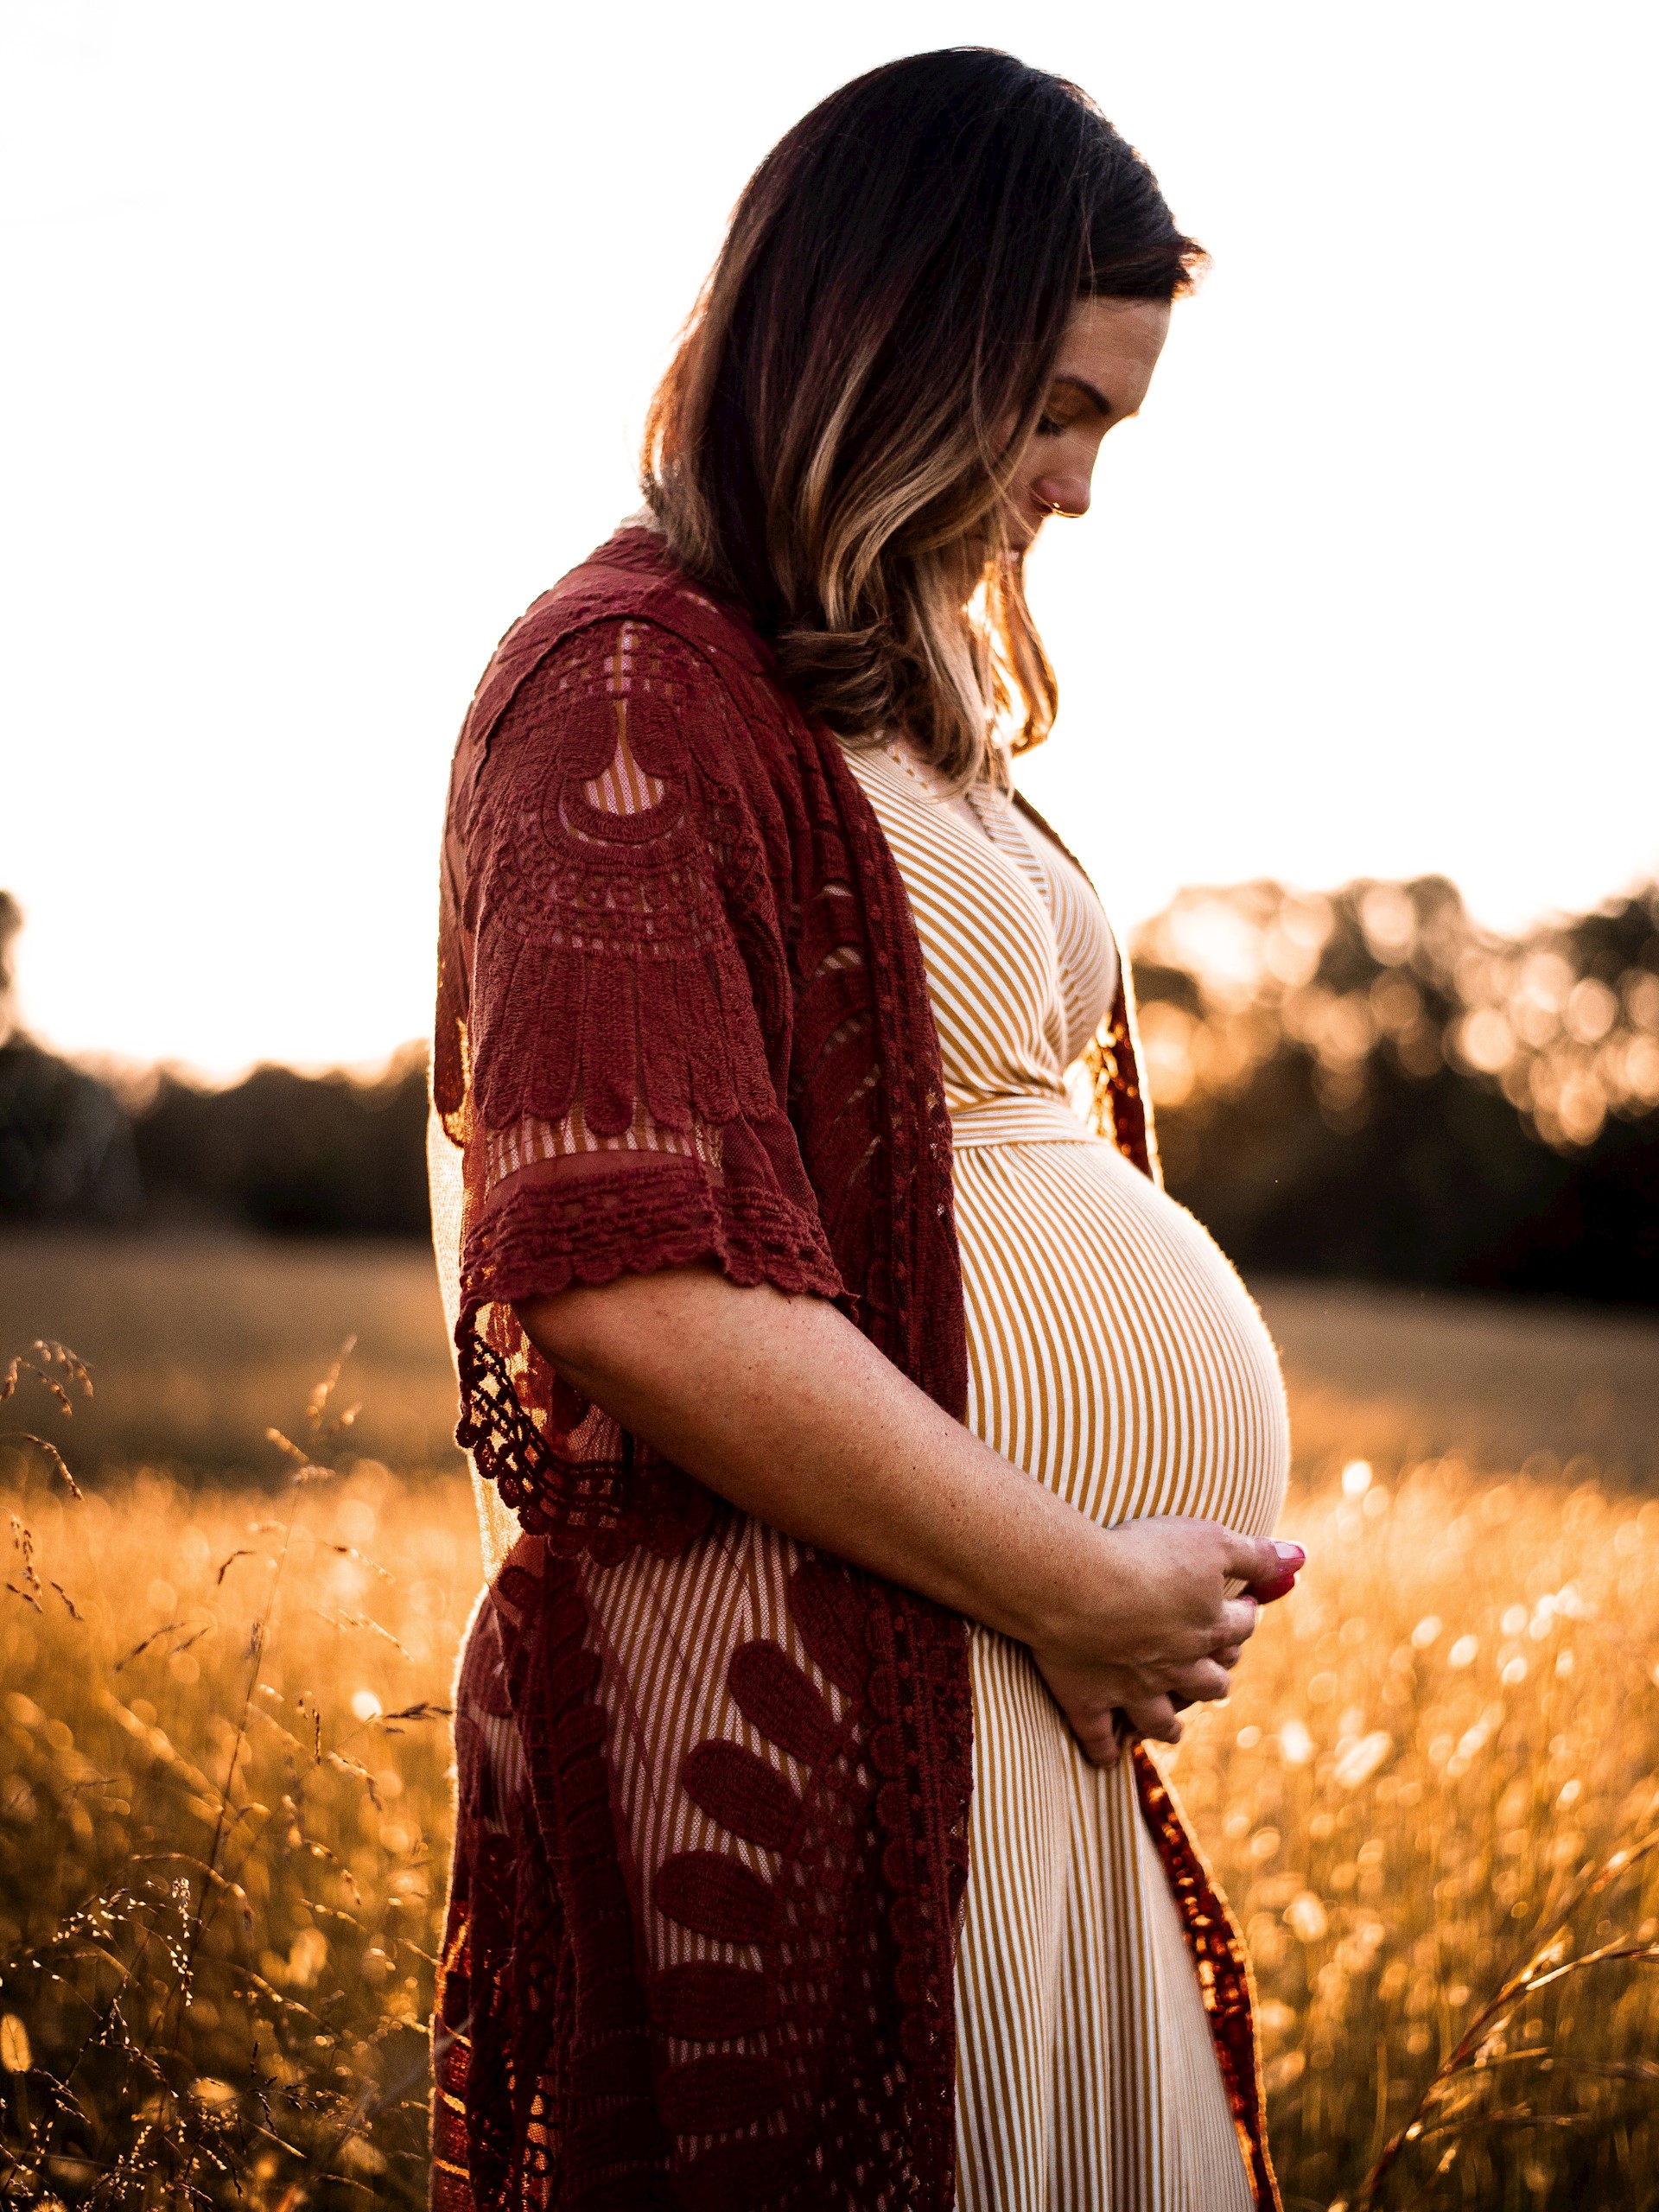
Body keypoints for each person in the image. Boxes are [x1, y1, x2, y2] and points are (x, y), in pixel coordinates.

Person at [428, 48, 1303, 2212]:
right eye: (1058, 411)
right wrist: (1078, 1578)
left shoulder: (869, 694)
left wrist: (1086, 1599)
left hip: (997, 1673)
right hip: (843, 1687)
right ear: (898, 342)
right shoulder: (623, 685)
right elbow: (628, 1274)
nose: (1078, 489)